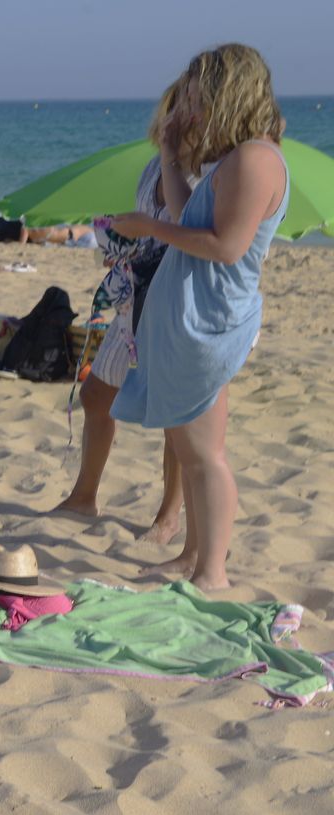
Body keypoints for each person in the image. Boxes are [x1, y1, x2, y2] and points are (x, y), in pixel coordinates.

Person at [108, 44, 289, 591]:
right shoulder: (233, 158)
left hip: (212, 317)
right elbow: (190, 212)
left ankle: (212, 571)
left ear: (222, 91)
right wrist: (167, 150)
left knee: (206, 454)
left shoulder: (256, 158)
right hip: (187, 315)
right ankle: (191, 557)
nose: (186, 101)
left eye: (194, 91)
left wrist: (149, 227)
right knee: (188, 447)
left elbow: (227, 246)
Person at [52, 75, 193, 541]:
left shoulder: (202, 172)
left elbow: (192, 234)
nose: (172, 119)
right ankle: (84, 497)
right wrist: (122, 240)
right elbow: (149, 231)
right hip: (136, 297)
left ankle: (168, 517)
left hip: (175, 304)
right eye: (171, 110)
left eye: (184, 111)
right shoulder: (155, 168)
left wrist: (147, 229)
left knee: (174, 416)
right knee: (96, 395)